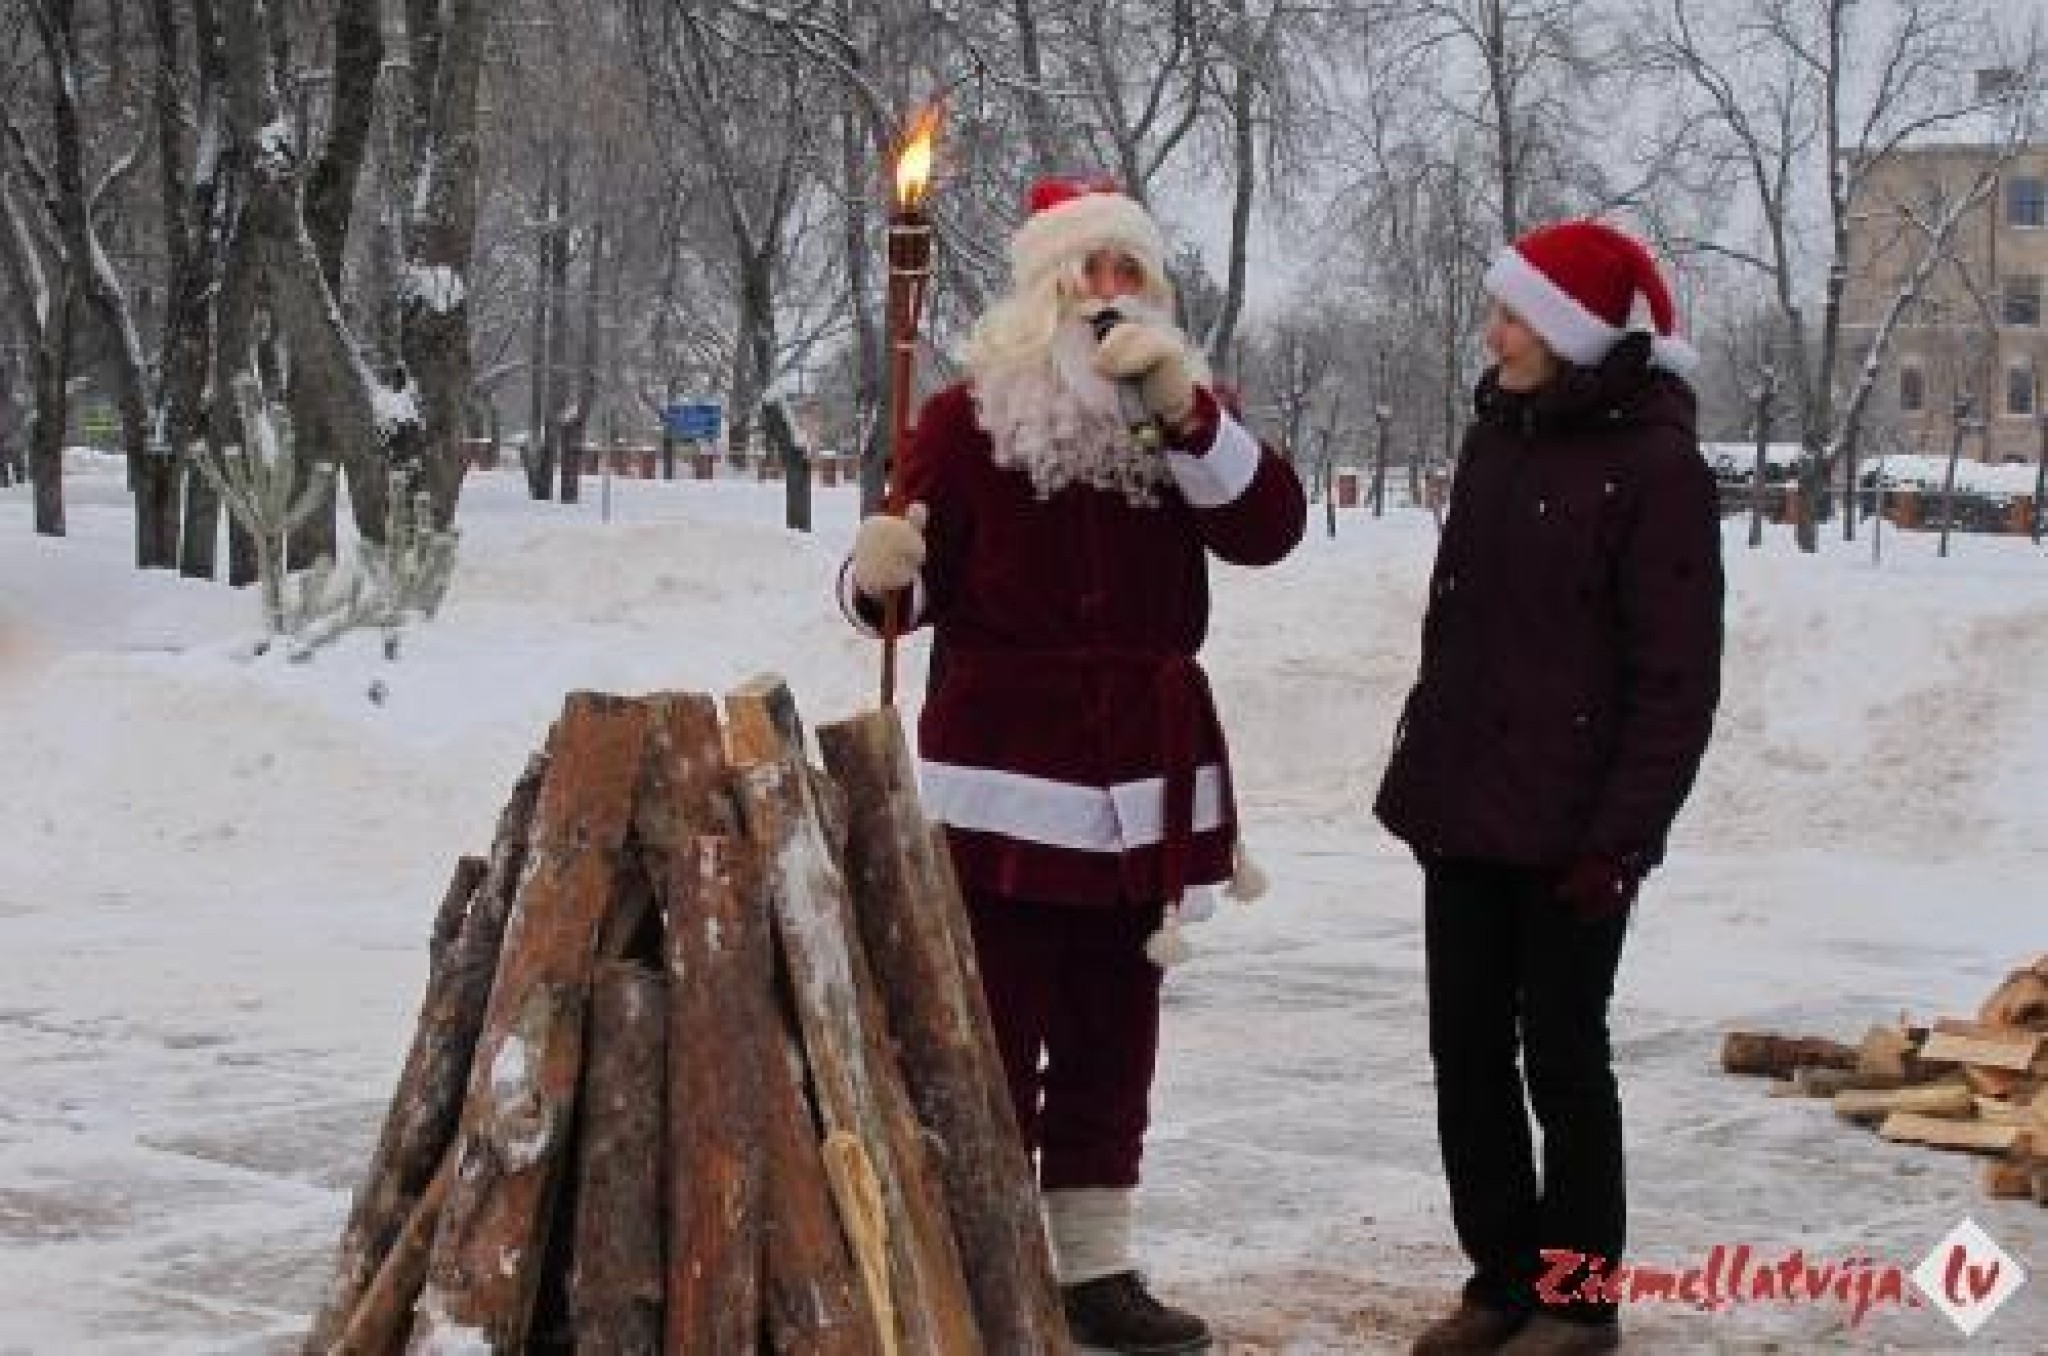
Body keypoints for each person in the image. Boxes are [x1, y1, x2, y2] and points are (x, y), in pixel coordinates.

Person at [839, 176, 1305, 1353]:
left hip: (1138, 785)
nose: (1107, 297)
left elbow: (1268, 529)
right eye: (1085, 275)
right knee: (985, 1031)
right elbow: (898, 601)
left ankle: (1094, 1269)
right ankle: (976, 1249)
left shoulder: (1185, 420)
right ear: (1042, 295)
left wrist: (1187, 415)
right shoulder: (966, 419)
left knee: (1113, 1032)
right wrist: (879, 571)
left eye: (1127, 274)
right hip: (1003, 772)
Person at [1375, 220, 1724, 1356]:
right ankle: (1498, 1280)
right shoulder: (1497, 434)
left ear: (1570, 332)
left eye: (1514, 315)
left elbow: (1673, 679)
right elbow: (1456, 630)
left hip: (1574, 831)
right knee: (1462, 1052)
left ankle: (1576, 1301)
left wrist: (1619, 840)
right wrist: (1426, 772)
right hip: (1465, 810)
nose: (1492, 333)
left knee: (1564, 1060)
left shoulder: (1656, 466)